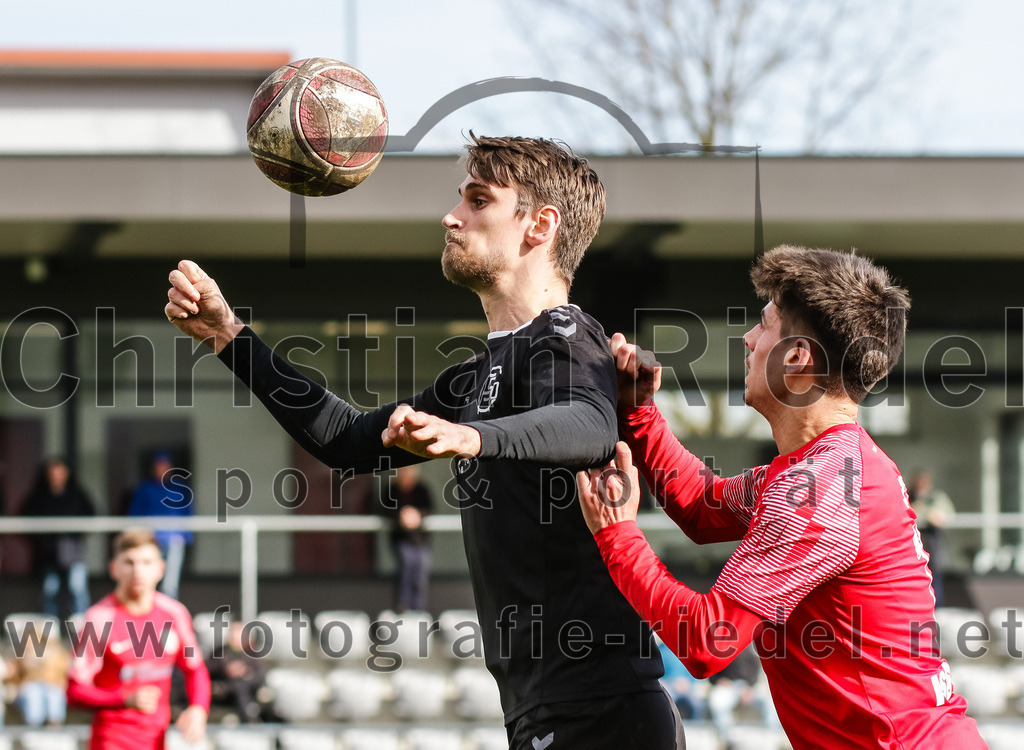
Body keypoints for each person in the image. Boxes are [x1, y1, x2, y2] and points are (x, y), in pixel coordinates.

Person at [164, 134, 684, 749]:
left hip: (604, 711)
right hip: (543, 712)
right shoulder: (478, 373)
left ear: (538, 226)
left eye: (478, 200)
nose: (452, 215)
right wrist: (230, 337)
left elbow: (588, 426)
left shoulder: (567, 336)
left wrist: (469, 436)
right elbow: (344, 438)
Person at [576, 246, 987, 749]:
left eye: (765, 325)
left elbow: (708, 640)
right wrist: (639, 414)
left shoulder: (820, 484)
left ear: (797, 357)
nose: (748, 339)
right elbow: (704, 507)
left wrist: (617, 534)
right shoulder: (826, 465)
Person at [67, 528, 209, 750]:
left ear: (160, 569)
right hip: (112, 742)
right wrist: (123, 699)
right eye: (130, 562)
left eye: (146, 562)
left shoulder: (175, 613)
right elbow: (74, 691)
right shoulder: (99, 619)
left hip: (156, 741)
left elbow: (195, 669)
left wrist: (199, 708)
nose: (138, 571)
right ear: (114, 568)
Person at [21, 456, 95, 618]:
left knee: (77, 588)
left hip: (72, 550)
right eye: (53, 474)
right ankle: (51, 628)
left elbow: (91, 514)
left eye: (60, 473)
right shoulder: (38, 496)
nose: (57, 477)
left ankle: (81, 626)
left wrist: (74, 531)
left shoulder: (77, 495)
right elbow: (25, 518)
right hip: (49, 553)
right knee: (50, 591)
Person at [127, 450, 194, 600]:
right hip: (151, 540)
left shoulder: (179, 488)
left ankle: (167, 615)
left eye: (165, 465)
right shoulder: (145, 488)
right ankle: (148, 611)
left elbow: (187, 513)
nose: (161, 469)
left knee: (170, 583)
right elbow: (135, 514)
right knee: (148, 579)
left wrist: (185, 536)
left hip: (174, 539)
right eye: (158, 466)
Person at [381, 464, 433, 613]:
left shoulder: (422, 489)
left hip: (420, 541)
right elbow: (385, 510)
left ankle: (418, 610)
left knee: (420, 575)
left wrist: (416, 515)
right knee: (406, 570)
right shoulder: (391, 490)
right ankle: (403, 607)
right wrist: (401, 516)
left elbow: (429, 509)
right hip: (401, 540)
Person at [909, 470, 955, 608]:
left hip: (932, 546)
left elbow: (942, 518)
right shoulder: (907, 497)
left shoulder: (936, 498)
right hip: (913, 547)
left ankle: (936, 610)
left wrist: (927, 513)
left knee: (934, 582)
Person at [205, 621, 266, 724]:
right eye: (233, 634)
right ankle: (248, 719)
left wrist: (246, 673)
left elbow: (260, 676)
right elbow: (208, 669)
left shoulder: (252, 653)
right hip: (225, 690)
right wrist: (225, 669)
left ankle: (248, 719)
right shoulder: (220, 652)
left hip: (246, 690)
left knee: (240, 686)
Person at [11, 626, 70, 727]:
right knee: (33, 694)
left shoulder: (56, 654)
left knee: (53, 694)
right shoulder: (21, 656)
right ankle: (34, 727)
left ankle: (55, 726)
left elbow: (64, 671)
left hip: (52, 685)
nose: (29, 643)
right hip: (30, 687)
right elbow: (15, 676)